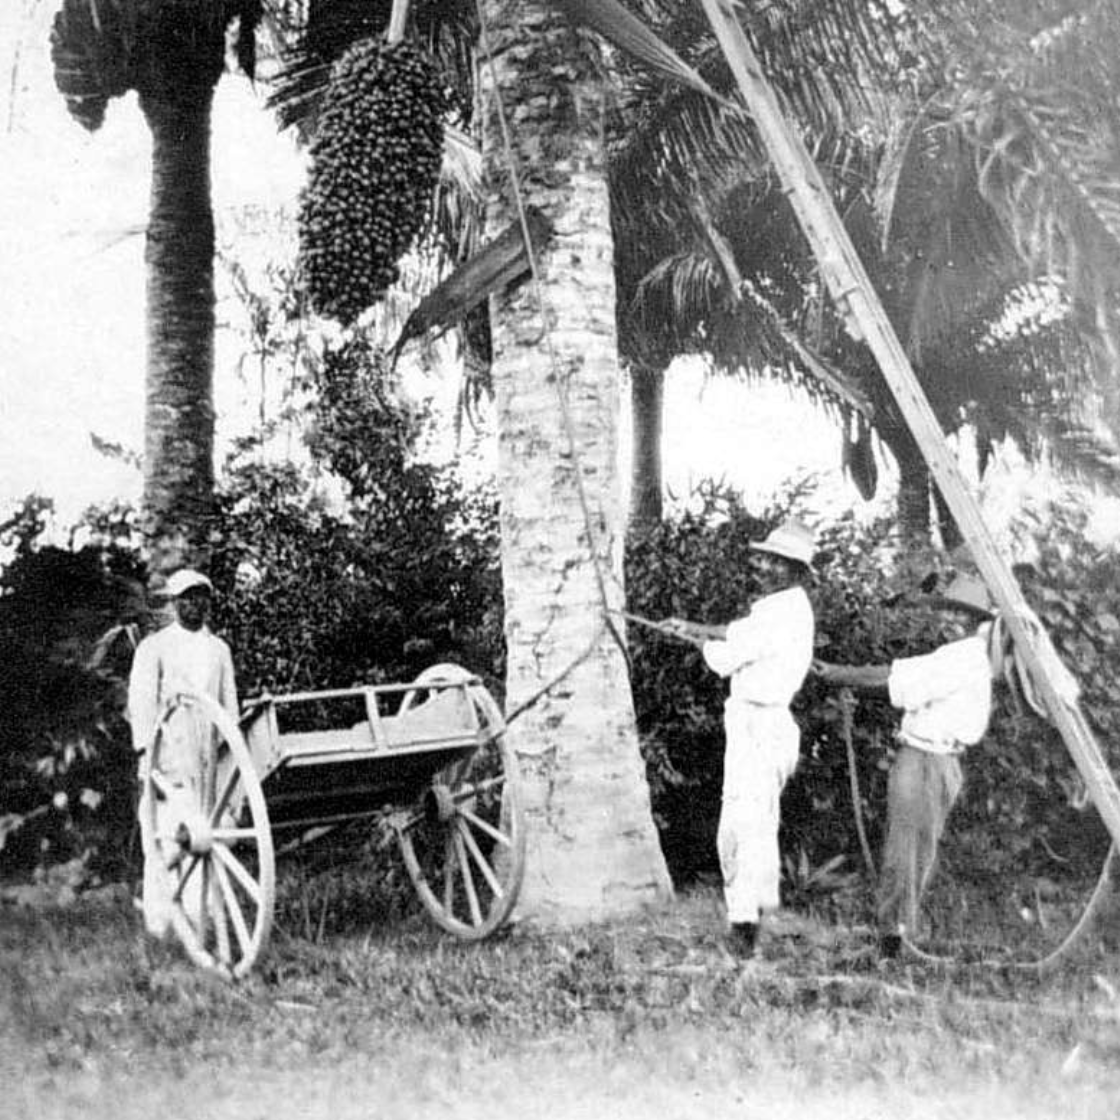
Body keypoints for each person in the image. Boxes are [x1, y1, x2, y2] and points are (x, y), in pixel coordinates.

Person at [813, 574, 1003, 958]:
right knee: (909, 848)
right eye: (948, 611)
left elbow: (894, 680)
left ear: (974, 621)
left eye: (961, 614)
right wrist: (840, 673)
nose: (950, 619)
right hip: (927, 759)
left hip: (928, 760)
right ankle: (894, 934)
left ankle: (893, 942)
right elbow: (898, 672)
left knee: (907, 850)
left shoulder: (962, 658)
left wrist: (836, 674)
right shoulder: (954, 655)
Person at [662, 519, 816, 959]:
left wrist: (696, 642)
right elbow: (736, 632)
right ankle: (752, 917)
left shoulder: (780, 612)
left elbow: (726, 657)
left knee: (742, 826)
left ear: (795, 571)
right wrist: (692, 626)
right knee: (756, 824)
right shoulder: (784, 607)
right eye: (765, 559)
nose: (765, 567)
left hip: (760, 725)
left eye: (777, 562)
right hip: (763, 724)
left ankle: (744, 927)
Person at [127, 568, 239, 938]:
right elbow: (142, 705)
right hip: (167, 757)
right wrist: (146, 754)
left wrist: (229, 755)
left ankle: (200, 918)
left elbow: (230, 708)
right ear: (175, 604)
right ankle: (161, 925)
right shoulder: (154, 648)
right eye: (188, 598)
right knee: (164, 838)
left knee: (204, 835)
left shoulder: (218, 649)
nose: (195, 605)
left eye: (201, 597)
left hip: (206, 756)